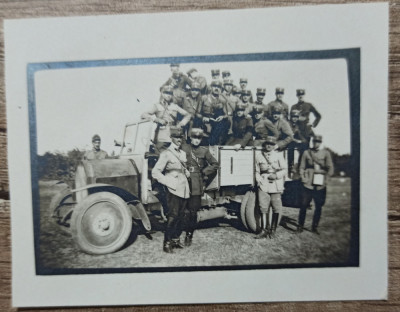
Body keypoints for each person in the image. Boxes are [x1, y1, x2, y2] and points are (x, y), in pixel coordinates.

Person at [152, 127, 191, 253]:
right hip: (173, 188)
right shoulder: (166, 154)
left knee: (181, 216)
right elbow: (155, 172)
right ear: (172, 138)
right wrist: (168, 182)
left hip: (184, 188)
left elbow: (182, 168)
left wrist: (187, 173)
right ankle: (167, 243)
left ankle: (176, 239)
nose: (179, 140)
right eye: (176, 137)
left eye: (181, 137)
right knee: (172, 216)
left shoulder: (183, 154)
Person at [181, 128, 219, 246]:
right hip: (183, 181)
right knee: (181, 209)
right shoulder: (184, 148)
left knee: (193, 211)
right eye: (194, 137)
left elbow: (215, 164)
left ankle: (189, 235)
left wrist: (204, 172)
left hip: (196, 182)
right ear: (190, 138)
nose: (196, 140)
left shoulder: (204, 151)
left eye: (199, 138)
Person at [297, 135, 334, 234]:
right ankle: (300, 227)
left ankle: (314, 227)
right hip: (308, 184)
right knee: (303, 205)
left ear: (320, 142)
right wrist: (303, 178)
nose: (316, 143)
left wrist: (326, 180)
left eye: (318, 142)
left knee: (319, 206)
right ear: (312, 142)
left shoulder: (326, 153)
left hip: (320, 184)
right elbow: (301, 167)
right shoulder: (306, 153)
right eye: (315, 141)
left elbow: (330, 168)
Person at [141, 85, 191, 153]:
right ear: (162, 93)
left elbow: (188, 115)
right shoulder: (157, 105)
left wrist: (181, 123)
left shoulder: (174, 106)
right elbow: (144, 115)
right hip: (161, 135)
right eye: (166, 93)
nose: (168, 95)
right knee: (160, 154)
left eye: (170, 93)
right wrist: (157, 119)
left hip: (174, 134)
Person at [254, 136, 287, 239]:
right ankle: (264, 230)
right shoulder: (259, 156)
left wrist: (276, 176)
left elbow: (285, 169)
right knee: (263, 207)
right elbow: (257, 171)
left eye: (271, 144)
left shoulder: (278, 156)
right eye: (267, 143)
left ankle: (273, 230)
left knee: (276, 208)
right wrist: (258, 180)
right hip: (264, 183)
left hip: (276, 184)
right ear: (264, 144)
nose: (269, 146)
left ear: (274, 146)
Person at [200, 80, 230, 145]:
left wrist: (222, 117)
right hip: (205, 123)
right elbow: (197, 113)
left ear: (221, 89)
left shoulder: (223, 100)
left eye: (219, 87)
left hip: (216, 124)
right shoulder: (204, 98)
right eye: (215, 86)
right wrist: (203, 118)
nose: (216, 88)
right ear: (211, 87)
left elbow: (226, 115)